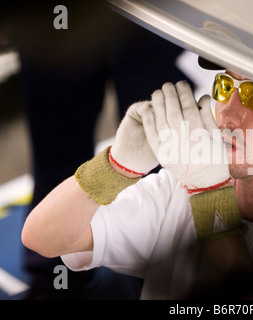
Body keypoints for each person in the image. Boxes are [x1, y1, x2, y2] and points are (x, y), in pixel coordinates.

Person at [21, 54, 253, 299]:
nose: (226, 113)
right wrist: (116, 167)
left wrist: (210, 195)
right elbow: (44, 238)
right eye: (226, 87)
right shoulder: (179, 189)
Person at [1, 0, 191, 298]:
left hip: (159, 14)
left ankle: (157, 281)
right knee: (57, 150)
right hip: (58, 15)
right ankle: (56, 280)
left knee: (163, 150)